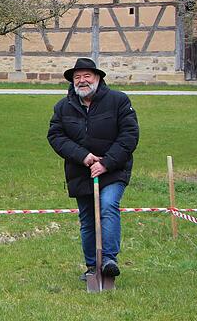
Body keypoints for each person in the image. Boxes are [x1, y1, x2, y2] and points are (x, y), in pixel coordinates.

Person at [47, 58, 139, 281]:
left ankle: (108, 260)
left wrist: (105, 163)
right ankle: (91, 267)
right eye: (77, 77)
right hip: (80, 172)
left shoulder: (118, 101)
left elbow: (129, 135)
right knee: (88, 219)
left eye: (87, 76)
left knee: (108, 205)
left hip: (114, 169)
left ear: (98, 78)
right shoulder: (63, 106)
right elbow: (56, 136)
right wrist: (84, 157)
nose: (82, 81)